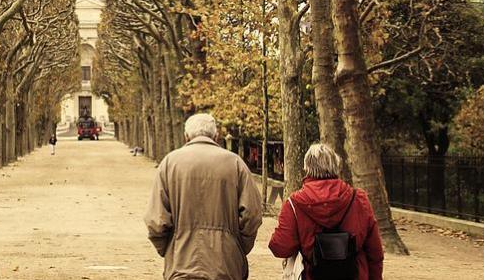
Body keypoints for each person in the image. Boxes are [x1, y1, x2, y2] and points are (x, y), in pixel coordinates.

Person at [144, 113, 263, 280]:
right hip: (226, 263)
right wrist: (236, 246)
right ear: (216, 136)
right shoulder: (235, 164)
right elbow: (252, 215)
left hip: (180, 262)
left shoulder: (169, 163)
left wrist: (170, 249)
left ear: (186, 136)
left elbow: (156, 220)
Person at [269, 144, 384, 280]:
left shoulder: (294, 204)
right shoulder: (358, 199)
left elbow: (280, 247)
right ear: (336, 166)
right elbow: (375, 252)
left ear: (307, 168)